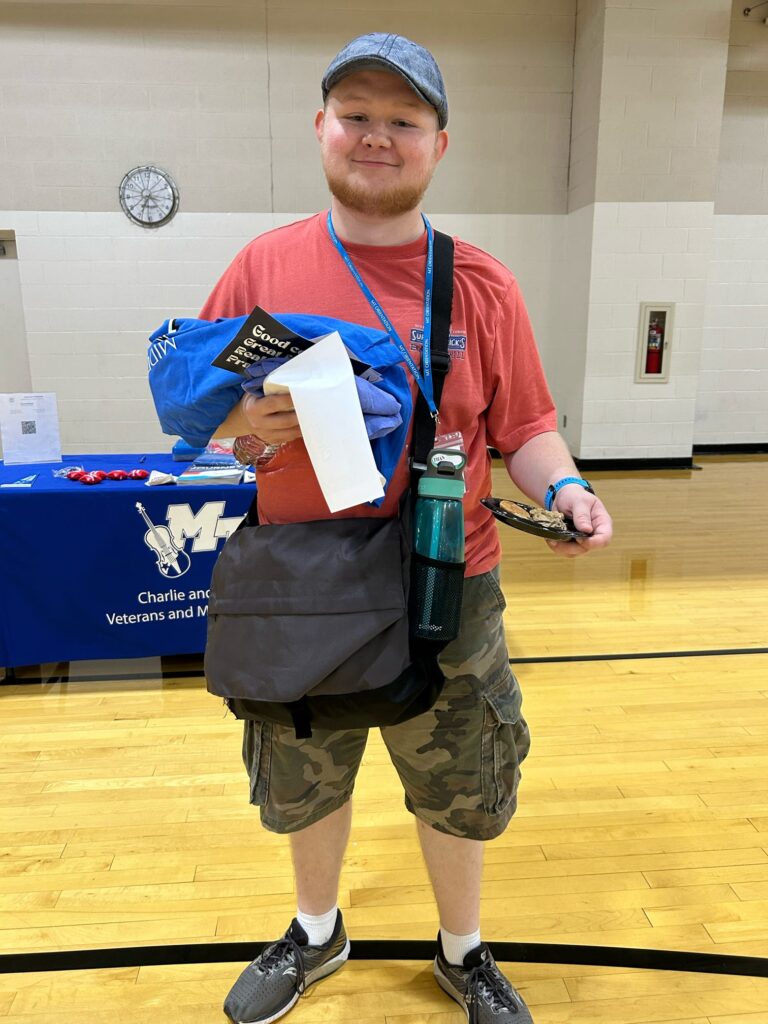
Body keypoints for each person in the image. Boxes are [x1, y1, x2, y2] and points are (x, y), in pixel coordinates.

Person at [200, 32, 613, 1024]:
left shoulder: (480, 283)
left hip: (448, 583)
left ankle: (462, 950)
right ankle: (315, 930)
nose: (376, 138)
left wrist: (567, 490)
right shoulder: (261, 265)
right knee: (304, 770)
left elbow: (528, 427)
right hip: (299, 581)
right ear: (320, 129)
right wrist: (242, 429)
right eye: (357, 116)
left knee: (459, 777)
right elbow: (206, 421)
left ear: (439, 142)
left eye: (402, 121)